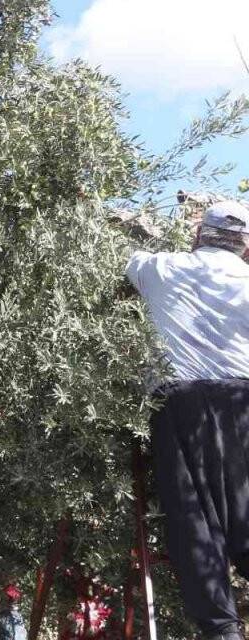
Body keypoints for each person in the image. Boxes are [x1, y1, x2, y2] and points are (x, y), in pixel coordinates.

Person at [126, 200, 249, 640]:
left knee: (194, 520)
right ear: (245, 246)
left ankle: (221, 632)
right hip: (244, 400)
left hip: (179, 404)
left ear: (199, 235)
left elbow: (120, 264)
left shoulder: (158, 268)